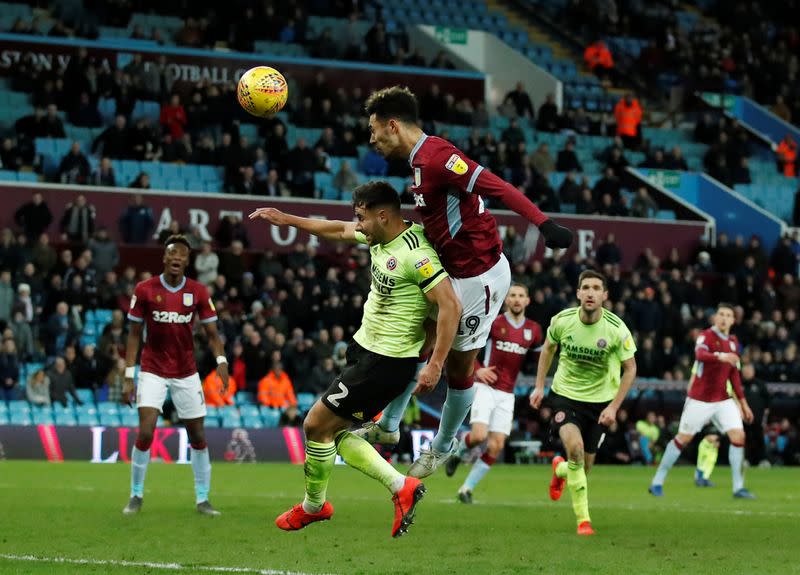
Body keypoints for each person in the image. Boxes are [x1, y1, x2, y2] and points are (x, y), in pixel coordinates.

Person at [355, 86, 572, 479]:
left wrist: (543, 223)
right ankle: (388, 428)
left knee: (458, 366)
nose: (371, 139)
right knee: (413, 341)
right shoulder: (419, 162)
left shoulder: (438, 158)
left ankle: (443, 445)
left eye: (374, 130)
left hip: (480, 277)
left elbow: (496, 186)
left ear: (392, 126)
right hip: (454, 270)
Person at [249, 180, 461, 537]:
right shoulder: (380, 235)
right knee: (335, 432)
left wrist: (436, 362)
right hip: (366, 351)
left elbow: (450, 306)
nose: (358, 225)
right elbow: (339, 229)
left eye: (362, 218)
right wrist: (287, 218)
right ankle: (385, 490)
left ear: (383, 216)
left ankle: (325, 504)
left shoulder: (416, 255)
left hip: (385, 362)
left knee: (316, 425)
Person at [121, 234, 228, 516]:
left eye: (182, 256)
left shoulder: (199, 292)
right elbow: (133, 335)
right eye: (172, 255)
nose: (177, 259)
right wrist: (128, 374)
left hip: (186, 372)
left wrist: (221, 360)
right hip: (153, 369)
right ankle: (135, 495)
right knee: (145, 432)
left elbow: (213, 333)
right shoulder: (145, 290)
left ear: (187, 261)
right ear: (165, 258)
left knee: (197, 435)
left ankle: (203, 499)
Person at [529, 270, 637, 535]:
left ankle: (561, 470)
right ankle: (583, 521)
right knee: (575, 448)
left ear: (605, 295)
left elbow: (631, 369)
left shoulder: (616, 328)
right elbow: (548, 349)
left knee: (583, 468)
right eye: (585, 287)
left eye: (596, 288)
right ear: (578, 293)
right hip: (565, 397)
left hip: (600, 404)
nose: (590, 292)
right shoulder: (562, 321)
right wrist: (540, 386)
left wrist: (613, 407)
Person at [445, 284, 543, 503]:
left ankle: (466, 489)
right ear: (506, 300)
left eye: (521, 296)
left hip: (507, 393)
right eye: (513, 296)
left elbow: (540, 360)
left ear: (528, 300)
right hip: (485, 388)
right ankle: (458, 454)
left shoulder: (534, 330)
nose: (517, 299)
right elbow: (468, 344)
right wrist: (478, 369)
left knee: (496, 445)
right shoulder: (495, 323)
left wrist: (539, 384)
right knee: (479, 436)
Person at [649, 302, 756, 499]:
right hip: (700, 399)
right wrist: (722, 356)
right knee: (683, 439)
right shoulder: (706, 336)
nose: (723, 318)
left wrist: (743, 404)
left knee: (738, 437)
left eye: (728, 315)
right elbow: (700, 354)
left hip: (723, 400)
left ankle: (738, 487)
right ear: (715, 317)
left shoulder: (733, 342)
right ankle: (657, 481)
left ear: (734, 320)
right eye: (721, 314)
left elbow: (734, 377)